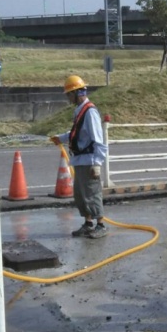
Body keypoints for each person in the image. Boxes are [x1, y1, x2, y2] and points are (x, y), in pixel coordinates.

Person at [50, 75, 109, 239]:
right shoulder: (80, 110)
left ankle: (101, 225)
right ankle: (88, 223)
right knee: (80, 195)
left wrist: (97, 163)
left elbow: (98, 139)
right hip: (80, 160)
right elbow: (77, 134)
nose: (68, 98)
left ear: (78, 93)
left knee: (92, 193)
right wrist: (61, 138)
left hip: (89, 160)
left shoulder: (90, 112)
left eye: (69, 94)